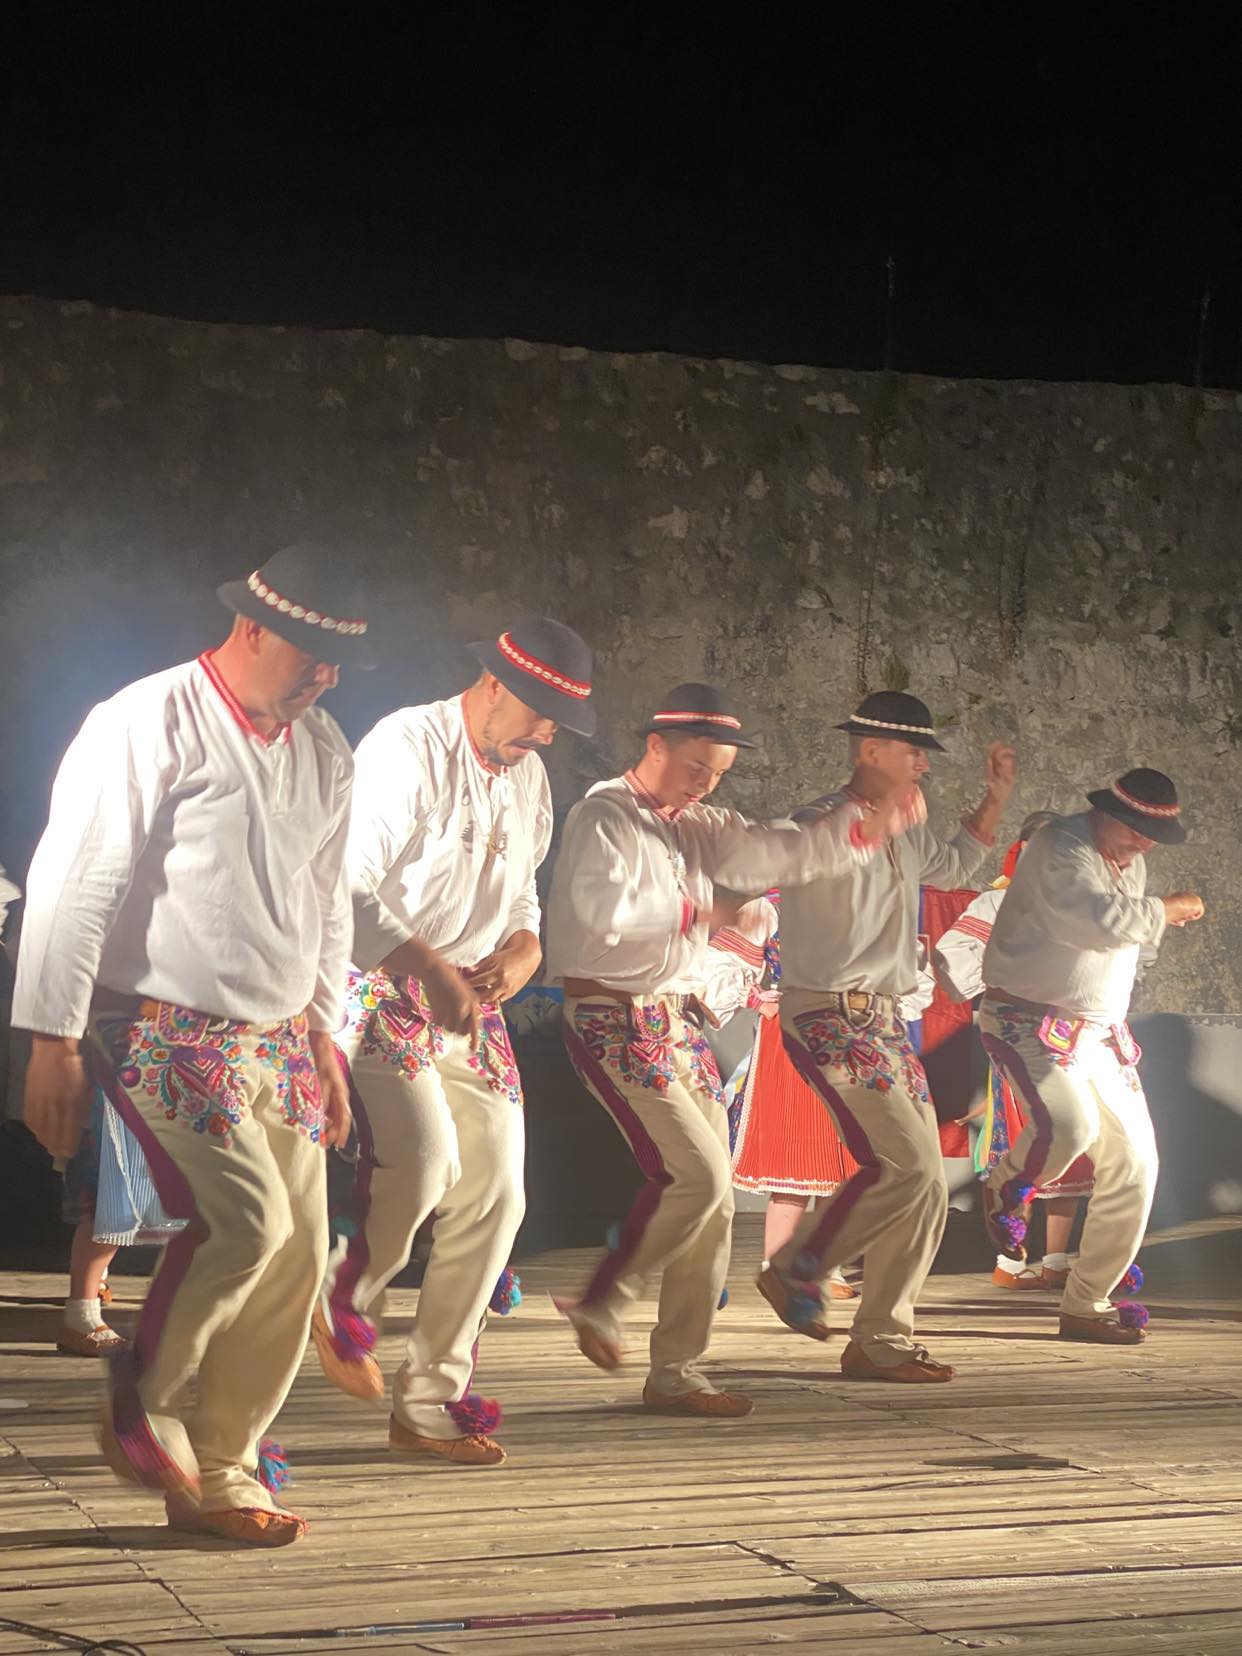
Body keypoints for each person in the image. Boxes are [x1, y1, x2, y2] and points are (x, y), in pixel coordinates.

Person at [12, 543, 366, 1545]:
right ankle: (143, 1399)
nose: (325, 676)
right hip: (163, 1024)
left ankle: (222, 1468)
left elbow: (326, 900)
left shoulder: (325, 746)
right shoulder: (146, 718)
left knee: (299, 1255)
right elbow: (78, 877)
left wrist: (327, 1032)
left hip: (281, 1034)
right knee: (244, 1224)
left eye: (337, 661)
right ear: (250, 627)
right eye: (309, 653)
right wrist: (51, 1037)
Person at [546, 683, 921, 1418]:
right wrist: (707, 909)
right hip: (609, 1013)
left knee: (715, 1201)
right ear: (656, 745)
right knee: (697, 1176)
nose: (705, 784)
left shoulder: (703, 822)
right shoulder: (604, 815)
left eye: (717, 773)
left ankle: (676, 1370)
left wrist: (861, 823)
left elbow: (778, 852)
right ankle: (604, 1298)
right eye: (696, 767)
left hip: (676, 1019)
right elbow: (605, 912)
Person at [315, 620, 594, 1469]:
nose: (547, 734)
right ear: (494, 685)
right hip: (386, 984)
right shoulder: (406, 746)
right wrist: (431, 968)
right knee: (427, 1163)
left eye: (558, 723)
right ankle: (341, 1296)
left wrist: (525, 950)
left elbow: (524, 899)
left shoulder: (528, 773)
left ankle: (431, 1401)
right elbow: (346, 888)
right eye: (541, 713)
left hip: (471, 1000)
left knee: (500, 1194)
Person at [758, 691, 1016, 1383]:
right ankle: (798, 1266)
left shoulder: (906, 830)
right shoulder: (820, 822)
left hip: (882, 1018)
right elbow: (783, 863)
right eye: (913, 753)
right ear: (871, 751)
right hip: (828, 1010)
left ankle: (881, 1339)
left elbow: (954, 866)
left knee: (927, 1183)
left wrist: (993, 800)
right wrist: (872, 825)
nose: (923, 767)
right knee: (906, 1166)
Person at [979, 769, 1203, 1345]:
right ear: (1106, 813)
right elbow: (1092, 922)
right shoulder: (1060, 844)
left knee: (1136, 1164)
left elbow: (1125, 941)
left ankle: (1087, 1302)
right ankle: (1005, 1188)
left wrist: (1150, 924)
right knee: (1070, 1126)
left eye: (1153, 836)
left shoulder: (1130, 860)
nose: (1143, 845)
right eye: (1135, 831)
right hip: (1029, 1019)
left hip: (1100, 1033)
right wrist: (1163, 909)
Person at [932, 810, 1092, 1290]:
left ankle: (1057, 1259)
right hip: (1019, 1035)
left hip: (1072, 1036)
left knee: (1074, 1142)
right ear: (1022, 852)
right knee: (1028, 1142)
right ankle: (1011, 1261)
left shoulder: (1082, 903)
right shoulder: (996, 903)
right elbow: (953, 961)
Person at [712, 896, 861, 1299]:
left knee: (841, 1157)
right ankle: (777, 1267)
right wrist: (754, 998)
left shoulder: (858, 899)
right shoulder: (773, 906)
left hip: (845, 1032)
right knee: (794, 1157)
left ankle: (825, 1265)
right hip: (792, 1035)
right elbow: (720, 962)